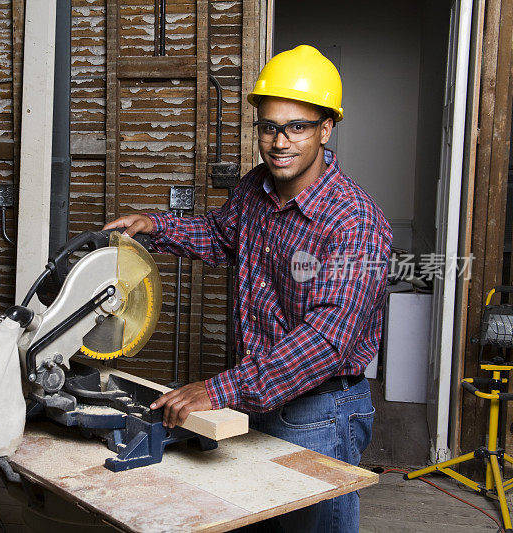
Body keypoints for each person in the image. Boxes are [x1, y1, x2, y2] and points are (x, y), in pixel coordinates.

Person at [103, 44, 392, 532]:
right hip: (253, 397)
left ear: (326, 129)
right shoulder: (256, 188)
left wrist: (218, 390)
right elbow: (220, 234)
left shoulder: (354, 222)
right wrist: (156, 225)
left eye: (297, 127)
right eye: (269, 126)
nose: (280, 142)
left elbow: (327, 339)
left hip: (317, 412)